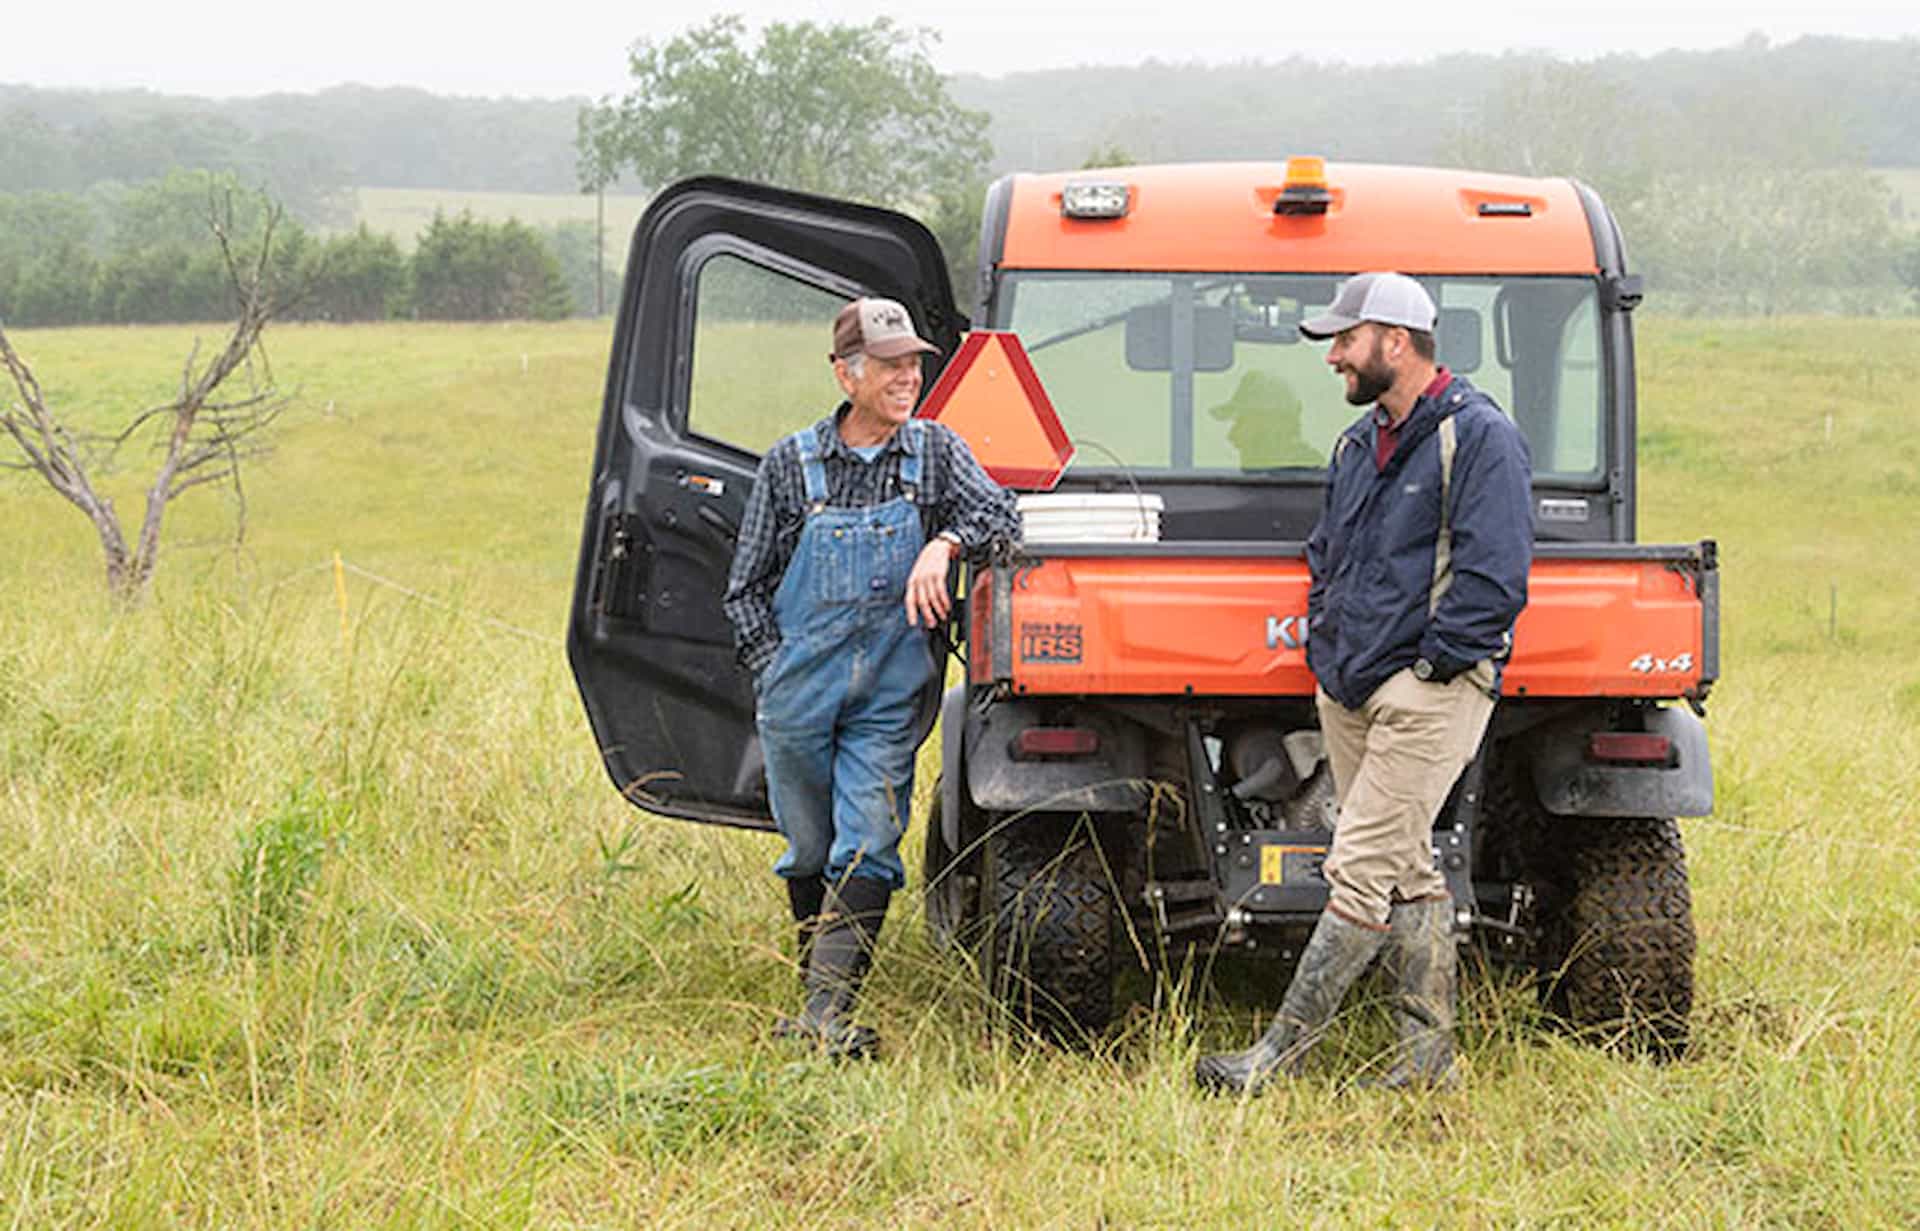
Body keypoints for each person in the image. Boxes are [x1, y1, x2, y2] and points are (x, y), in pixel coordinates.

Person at [1195, 272, 1533, 1094]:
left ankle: (1277, 1056)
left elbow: (1497, 576)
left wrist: (1433, 667)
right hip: (1348, 687)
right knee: (1409, 867)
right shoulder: (1358, 444)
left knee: (1360, 862)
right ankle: (1427, 1061)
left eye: (1345, 340)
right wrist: (1329, 646)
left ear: (1395, 339)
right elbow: (1329, 556)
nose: (1334, 358)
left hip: (1427, 691)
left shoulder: (1479, 437)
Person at [723, 296, 1020, 1059]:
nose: (908, 376)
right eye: (891, 364)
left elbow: (1005, 516)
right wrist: (774, 670)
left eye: (914, 363)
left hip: (889, 693)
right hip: (799, 689)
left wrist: (944, 542)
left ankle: (828, 1010)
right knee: (809, 846)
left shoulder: (937, 453)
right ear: (845, 373)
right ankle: (815, 997)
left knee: (871, 838)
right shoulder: (792, 465)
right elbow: (745, 588)